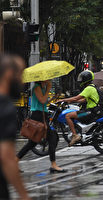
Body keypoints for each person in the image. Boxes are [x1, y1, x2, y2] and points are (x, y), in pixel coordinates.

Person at [17, 80, 67, 173]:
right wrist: (48, 89)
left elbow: (44, 102)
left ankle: (15, 161)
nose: (49, 80)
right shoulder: (37, 87)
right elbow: (42, 100)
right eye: (47, 78)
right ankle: (53, 165)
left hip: (42, 115)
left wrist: (53, 98)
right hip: (38, 116)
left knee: (32, 143)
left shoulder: (41, 88)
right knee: (52, 138)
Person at [0, 54, 30, 199]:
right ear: (9, 74)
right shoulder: (5, 107)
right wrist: (24, 195)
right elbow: (6, 157)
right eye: (20, 74)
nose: (21, 80)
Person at [58, 70, 101, 146]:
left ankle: (75, 135)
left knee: (67, 116)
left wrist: (63, 100)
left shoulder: (88, 88)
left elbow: (76, 98)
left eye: (82, 78)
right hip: (92, 110)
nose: (80, 80)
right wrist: (70, 102)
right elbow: (84, 100)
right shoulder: (92, 87)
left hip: (89, 112)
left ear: (85, 79)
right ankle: (77, 131)